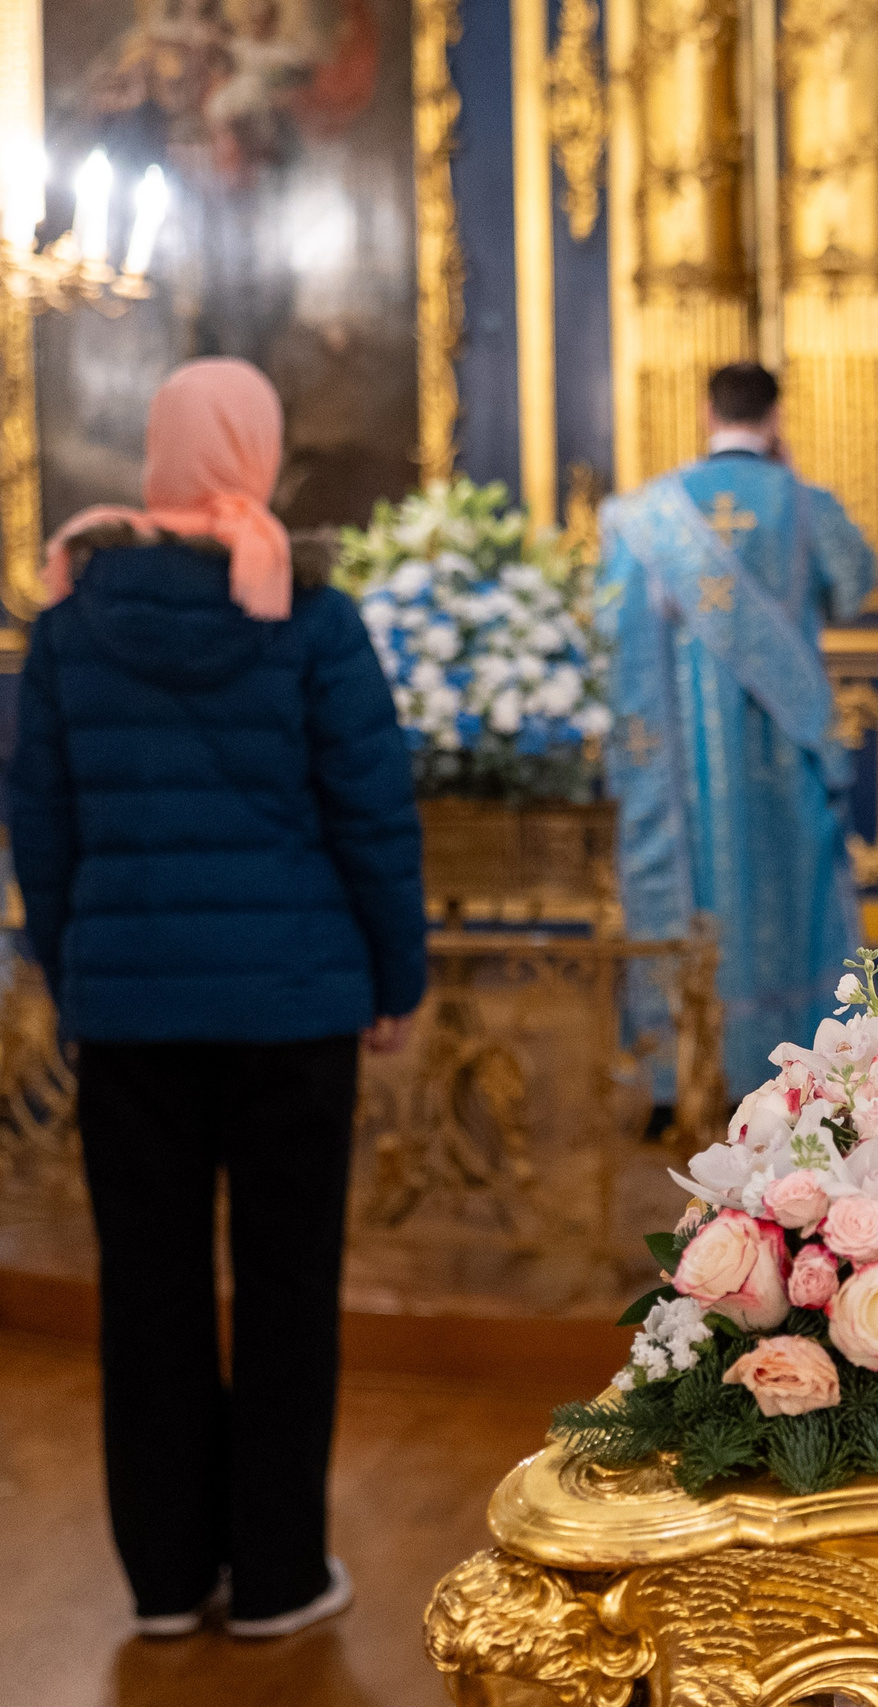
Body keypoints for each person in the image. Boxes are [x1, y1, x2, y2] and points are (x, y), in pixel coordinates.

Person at [6, 357, 426, 1638]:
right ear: (259, 451)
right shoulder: (306, 612)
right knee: (290, 1286)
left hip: (130, 1010)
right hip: (296, 1007)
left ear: (158, 452)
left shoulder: (72, 618)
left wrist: (80, 965)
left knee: (148, 1292)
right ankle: (279, 1577)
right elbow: (371, 815)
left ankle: (167, 1578)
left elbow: (42, 825)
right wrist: (394, 975)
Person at [600, 361, 878, 1097]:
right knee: (792, 903)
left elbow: (612, 628)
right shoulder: (804, 503)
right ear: (776, 416)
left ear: (705, 411)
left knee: (696, 898)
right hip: (781, 756)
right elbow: (855, 582)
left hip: (677, 769)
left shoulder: (644, 515)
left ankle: (680, 1072)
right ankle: (803, 1066)